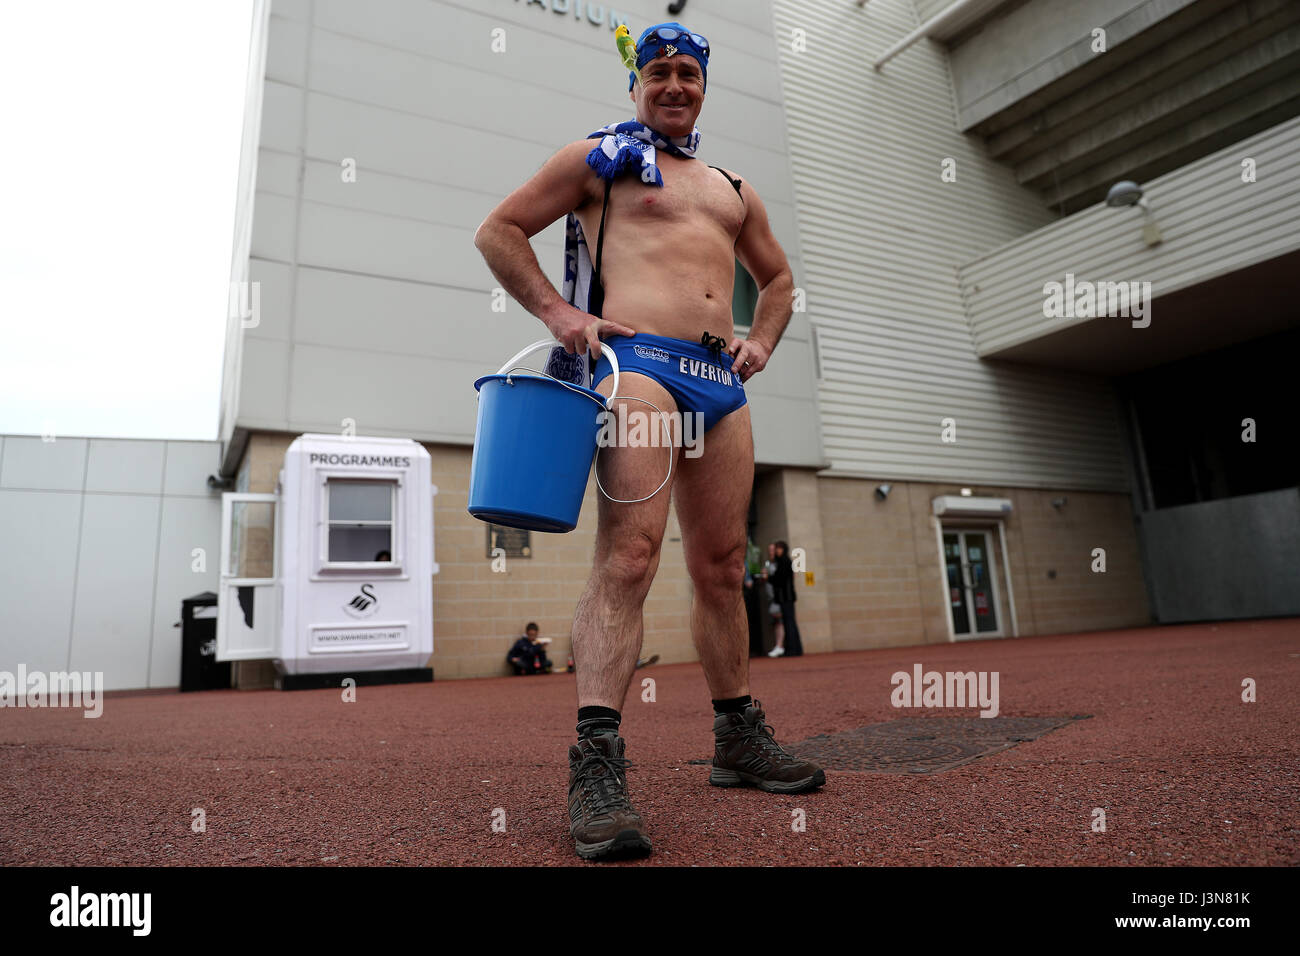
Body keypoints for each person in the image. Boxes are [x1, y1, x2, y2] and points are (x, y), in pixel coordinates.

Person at [474, 20, 824, 861]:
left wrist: (764, 339)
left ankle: (737, 737)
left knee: (721, 564)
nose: (674, 85)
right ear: (636, 83)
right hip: (636, 367)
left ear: (704, 87)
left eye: (688, 74)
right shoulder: (601, 158)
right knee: (630, 557)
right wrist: (562, 317)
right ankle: (596, 763)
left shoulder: (733, 186)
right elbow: (499, 229)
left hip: (720, 381)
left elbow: (776, 278)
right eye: (659, 72)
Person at [768, 540, 803, 657]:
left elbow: (779, 579)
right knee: (790, 622)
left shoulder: (784, 561)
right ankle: (796, 648)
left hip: (786, 597)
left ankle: (793, 649)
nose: (777, 551)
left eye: (779, 548)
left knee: (789, 623)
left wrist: (768, 578)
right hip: (786, 597)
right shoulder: (783, 561)